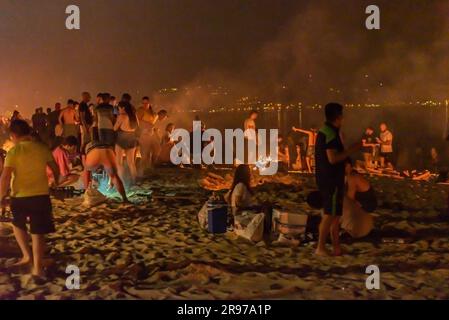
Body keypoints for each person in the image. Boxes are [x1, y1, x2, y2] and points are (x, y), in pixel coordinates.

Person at [0, 120, 60, 277]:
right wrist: (55, 182)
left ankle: (27, 255)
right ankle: (38, 268)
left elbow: (5, 177)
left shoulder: (14, 151)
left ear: (13, 135)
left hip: (20, 196)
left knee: (17, 224)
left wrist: (0, 196)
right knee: (38, 231)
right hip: (41, 195)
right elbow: (54, 167)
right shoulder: (42, 148)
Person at [314, 103, 361, 257]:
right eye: (342, 114)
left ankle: (336, 247)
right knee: (329, 214)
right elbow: (332, 158)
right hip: (330, 178)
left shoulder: (328, 130)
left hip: (330, 177)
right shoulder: (330, 133)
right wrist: (351, 150)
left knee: (335, 214)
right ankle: (320, 247)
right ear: (338, 116)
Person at [114, 101, 139, 184]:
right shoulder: (134, 116)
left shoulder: (122, 116)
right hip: (132, 138)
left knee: (119, 162)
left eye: (119, 108)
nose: (118, 110)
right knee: (131, 163)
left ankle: (121, 182)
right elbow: (137, 127)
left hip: (122, 139)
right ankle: (135, 181)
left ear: (123, 108)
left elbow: (115, 128)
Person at [136, 97, 158, 176]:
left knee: (150, 152)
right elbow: (138, 121)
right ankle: (141, 171)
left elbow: (153, 123)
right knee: (144, 153)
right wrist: (148, 124)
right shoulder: (140, 110)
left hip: (150, 134)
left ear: (149, 103)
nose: (144, 105)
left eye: (146, 103)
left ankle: (148, 169)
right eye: (143, 103)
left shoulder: (152, 112)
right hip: (143, 134)